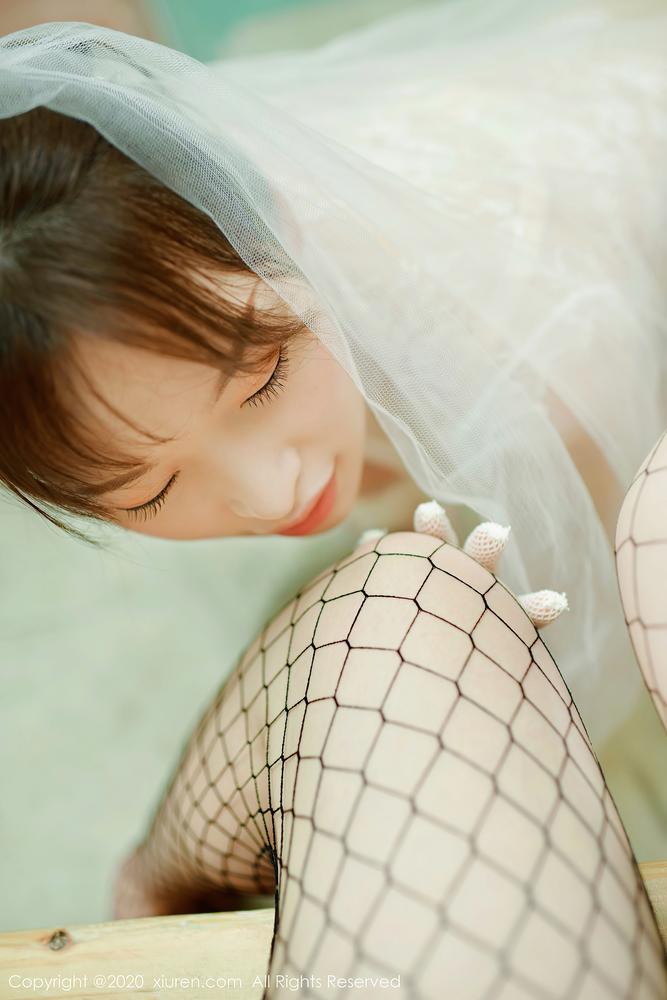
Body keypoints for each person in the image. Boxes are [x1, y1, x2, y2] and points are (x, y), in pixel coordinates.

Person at [0, 3, 666, 996]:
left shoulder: (550, 368)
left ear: (275, 221)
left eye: (264, 378)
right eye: (152, 488)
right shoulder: (205, 270)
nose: (273, 491)